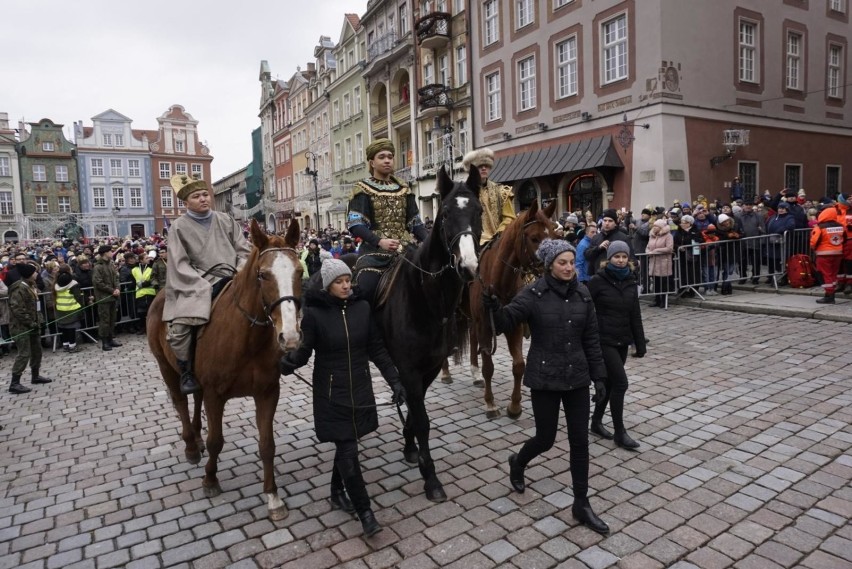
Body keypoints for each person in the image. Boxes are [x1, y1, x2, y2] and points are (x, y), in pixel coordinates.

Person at [482, 239, 609, 535]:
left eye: (569, 262)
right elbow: (505, 322)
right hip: (545, 378)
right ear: (549, 265)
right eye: (561, 262)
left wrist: (600, 376)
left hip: (577, 377)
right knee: (546, 438)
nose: (567, 267)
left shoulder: (583, 293)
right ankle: (518, 461)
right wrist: (494, 309)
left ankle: (581, 503)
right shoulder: (533, 294)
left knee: (580, 442)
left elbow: (591, 338)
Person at [279, 259, 406, 537]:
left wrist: (395, 381)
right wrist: (284, 364)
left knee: (348, 444)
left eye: (348, 279)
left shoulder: (363, 308)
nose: (346, 285)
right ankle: (366, 514)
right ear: (328, 285)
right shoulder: (314, 314)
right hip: (331, 392)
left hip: (360, 388)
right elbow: (304, 352)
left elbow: (377, 348)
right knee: (349, 450)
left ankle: (337, 491)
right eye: (339, 281)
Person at [163, 174, 252, 395]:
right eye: (196, 196)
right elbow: (179, 264)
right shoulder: (179, 227)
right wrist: (201, 284)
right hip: (197, 284)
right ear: (186, 203)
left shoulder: (226, 220)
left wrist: (241, 270)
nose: (203, 199)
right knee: (181, 327)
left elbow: (244, 250)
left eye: (205, 194)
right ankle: (186, 371)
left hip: (234, 277)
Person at [347, 139, 428, 305]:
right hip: (374, 253)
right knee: (366, 289)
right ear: (372, 162)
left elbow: (415, 223)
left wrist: (429, 241)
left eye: (390, 157)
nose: (387, 160)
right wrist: (379, 242)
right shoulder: (362, 189)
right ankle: (366, 326)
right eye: (381, 157)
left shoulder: (404, 189)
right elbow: (356, 225)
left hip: (406, 249)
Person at [587, 241, 646, 450]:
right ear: (608, 259)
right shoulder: (597, 281)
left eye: (623, 257)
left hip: (622, 340)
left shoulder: (630, 281)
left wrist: (640, 343)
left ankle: (595, 422)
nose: (620, 261)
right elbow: (584, 308)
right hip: (604, 341)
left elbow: (635, 314)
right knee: (621, 383)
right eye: (616, 257)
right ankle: (620, 433)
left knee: (611, 384)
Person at [8, 262, 53, 394]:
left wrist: (39, 321)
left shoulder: (30, 286)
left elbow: (35, 307)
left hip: (33, 324)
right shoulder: (19, 289)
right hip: (22, 327)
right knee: (24, 354)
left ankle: (35, 375)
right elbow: (18, 310)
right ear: (29, 274)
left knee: (36, 351)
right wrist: (30, 322)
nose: (37, 274)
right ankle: (14, 383)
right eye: (34, 272)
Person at [462, 148, 516, 246]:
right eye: (480, 166)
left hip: (498, 242)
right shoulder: (463, 194)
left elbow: (509, 218)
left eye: (486, 166)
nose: (483, 168)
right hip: (472, 243)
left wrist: (498, 234)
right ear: (472, 170)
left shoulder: (501, 191)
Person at [810, 207, 845, 304]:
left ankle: (829, 296)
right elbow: (844, 238)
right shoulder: (841, 226)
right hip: (838, 253)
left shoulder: (820, 227)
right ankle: (831, 293)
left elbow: (814, 242)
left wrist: (814, 249)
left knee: (824, 274)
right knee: (833, 274)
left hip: (823, 254)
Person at [584, 208, 633, 275]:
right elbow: (587, 255)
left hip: (617, 277)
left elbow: (631, 259)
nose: (607, 223)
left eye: (610, 221)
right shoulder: (596, 237)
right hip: (599, 276)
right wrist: (598, 248)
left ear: (615, 223)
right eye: (605, 220)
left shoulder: (623, 238)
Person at [93, 245, 121, 351]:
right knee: (105, 320)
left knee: (112, 319)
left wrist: (117, 288)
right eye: (110, 251)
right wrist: (111, 290)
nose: (111, 253)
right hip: (104, 297)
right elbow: (98, 282)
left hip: (113, 297)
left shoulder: (111, 264)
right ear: (105, 253)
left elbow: (116, 278)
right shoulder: (98, 266)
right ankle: (104, 342)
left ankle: (110, 338)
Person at [54, 267, 86, 352]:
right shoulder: (73, 284)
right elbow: (78, 297)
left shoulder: (56, 284)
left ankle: (65, 345)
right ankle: (72, 346)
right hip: (72, 308)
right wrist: (82, 305)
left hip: (60, 309)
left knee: (64, 328)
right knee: (71, 328)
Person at [645, 219, 674, 307]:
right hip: (653, 262)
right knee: (656, 282)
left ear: (661, 227)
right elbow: (648, 246)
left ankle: (664, 301)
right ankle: (657, 300)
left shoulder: (668, 236)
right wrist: (648, 252)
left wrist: (655, 251)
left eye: (656, 226)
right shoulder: (652, 235)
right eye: (654, 226)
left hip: (663, 262)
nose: (654, 228)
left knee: (664, 283)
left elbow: (669, 248)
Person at [133, 251, 157, 333]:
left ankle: (151, 328)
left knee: (151, 312)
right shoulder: (135, 269)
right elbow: (134, 280)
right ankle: (143, 328)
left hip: (150, 292)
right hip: (140, 293)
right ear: (141, 260)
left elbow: (152, 279)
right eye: (146, 258)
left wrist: (144, 284)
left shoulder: (151, 267)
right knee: (141, 312)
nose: (148, 259)